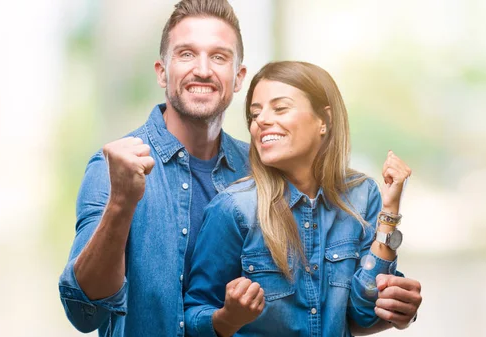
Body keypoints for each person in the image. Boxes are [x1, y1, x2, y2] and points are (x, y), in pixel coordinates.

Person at [58, 1, 421, 336]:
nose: (202, 69)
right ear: (162, 72)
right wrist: (122, 202)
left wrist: (390, 310)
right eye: (186, 54)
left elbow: (321, 309)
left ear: (238, 77)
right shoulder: (115, 168)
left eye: (219, 56)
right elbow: (84, 313)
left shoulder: (270, 170)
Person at [183, 61, 422, 337]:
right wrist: (228, 317)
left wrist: (389, 212)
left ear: (325, 120)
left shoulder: (362, 195)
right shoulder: (234, 208)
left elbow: (364, 314)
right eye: (255, 113)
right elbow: (193, 316)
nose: (261, 120)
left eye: (280, 108)